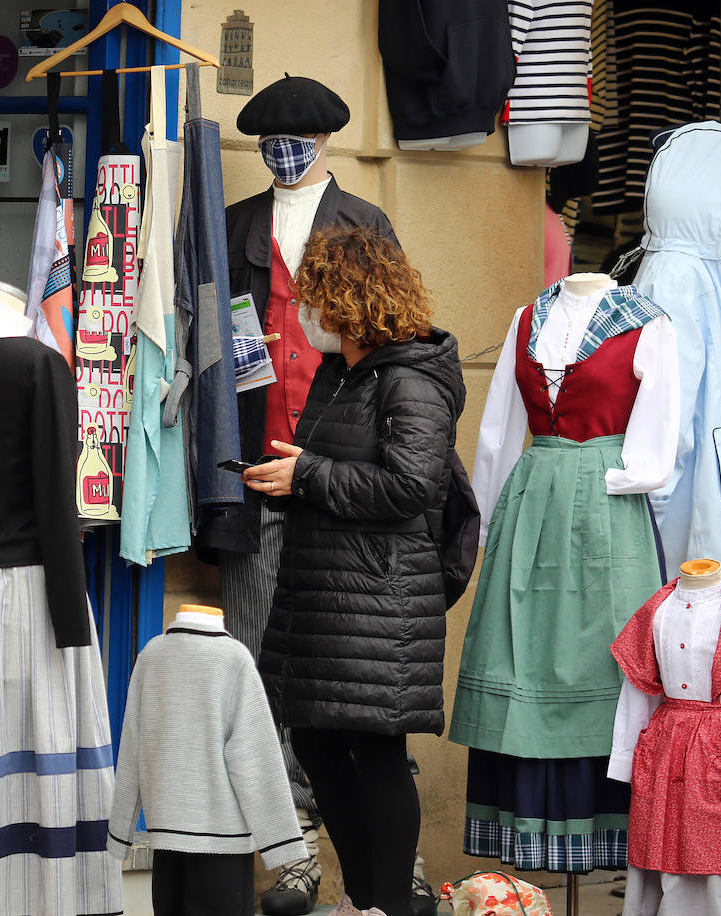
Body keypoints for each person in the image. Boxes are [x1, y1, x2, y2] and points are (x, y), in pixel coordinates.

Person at [209, 73, 398, 916]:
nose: (286, 153)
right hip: (255, 471)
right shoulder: (236, 225)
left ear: (325, 143)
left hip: (338, 477)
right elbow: (215, 343)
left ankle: (374, 851)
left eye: (301, 141)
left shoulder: (366, 224)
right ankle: (285, 847)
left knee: (346, 667)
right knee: (257, 662)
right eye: (271, 143)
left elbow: (393, 350)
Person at [244, 226, 465, 916]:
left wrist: (306, 473)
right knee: (314, 734)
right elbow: (341, 467)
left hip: (381, 598)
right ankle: (366, 895)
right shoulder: (347, 375)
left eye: (316, 298)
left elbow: (411, 485)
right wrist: (293, 471)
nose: (308, 313)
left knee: (373, 751)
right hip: (331, 591)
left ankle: (388, 903)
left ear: (348, 301)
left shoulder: (411, 378)